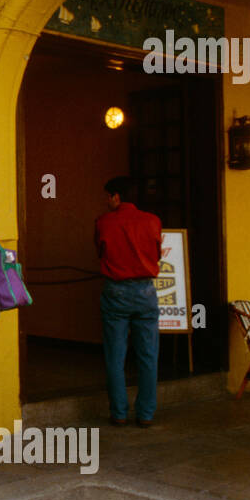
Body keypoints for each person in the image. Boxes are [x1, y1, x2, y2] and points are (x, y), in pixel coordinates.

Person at [94, 176, 163, 427]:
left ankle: (119, 413)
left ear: (116, 196)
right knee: (148, 355)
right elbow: (156, 253)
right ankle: (145, 414)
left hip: (116, 290)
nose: (106, 201)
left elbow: (100, 252)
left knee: (115, 354)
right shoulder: (153, 221)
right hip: (145, 290)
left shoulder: (104, 222)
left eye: (108, 196)